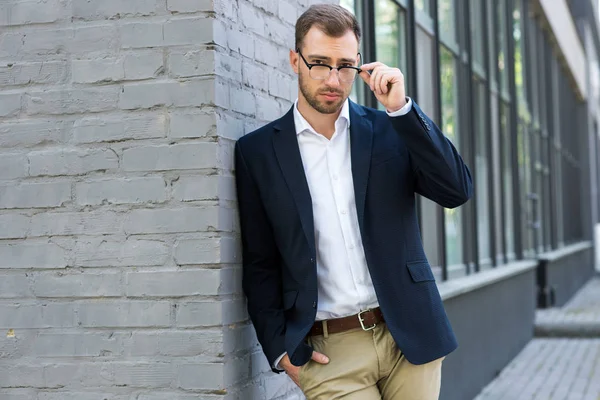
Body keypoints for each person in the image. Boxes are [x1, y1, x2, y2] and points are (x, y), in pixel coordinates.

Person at [234, 4, 472, 399]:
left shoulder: (390, 129)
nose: (333, 78)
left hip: (409, 337)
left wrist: (402, 110)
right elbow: (260, 261)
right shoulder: (258, 152)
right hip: (330, 351)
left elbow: (456, 190)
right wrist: (279, 350)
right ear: (295, 60)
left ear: (360, 66)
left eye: (345, 65)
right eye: (319, 63)